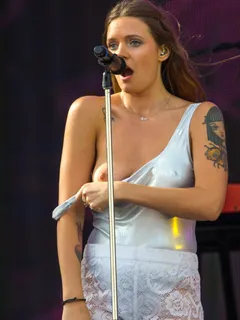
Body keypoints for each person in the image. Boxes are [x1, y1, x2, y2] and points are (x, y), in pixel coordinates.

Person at [54, 0, 228, 319]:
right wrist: (73, 300)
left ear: (163, 51)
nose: (121, 53)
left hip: (172, 283)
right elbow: (68, 213)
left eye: (134, 42)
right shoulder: (89, 112)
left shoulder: (203, 117)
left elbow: (209, 203)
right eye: (112, 44)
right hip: (101, 283)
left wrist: (122, 191)